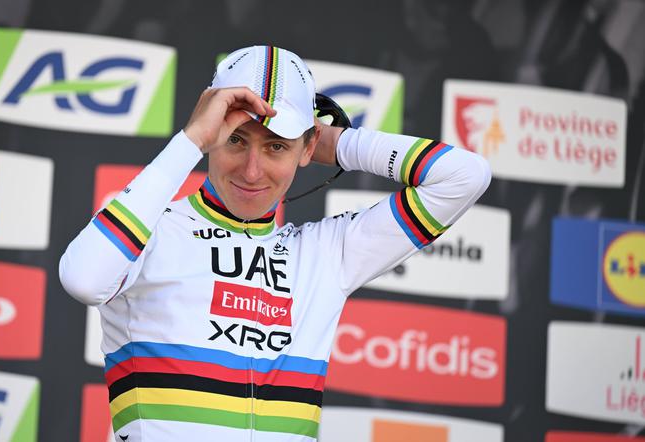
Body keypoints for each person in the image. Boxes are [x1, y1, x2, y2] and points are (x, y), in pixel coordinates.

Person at [59, 45, 491, 442]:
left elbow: (464, 175)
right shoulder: (149, 231)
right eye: (236, 139)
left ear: (306, 149)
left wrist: (335, 144)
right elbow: (83, 280)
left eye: (276, 147)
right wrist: (189, 142)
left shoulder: (325, 253)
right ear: (211, 134)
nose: (252, 171)